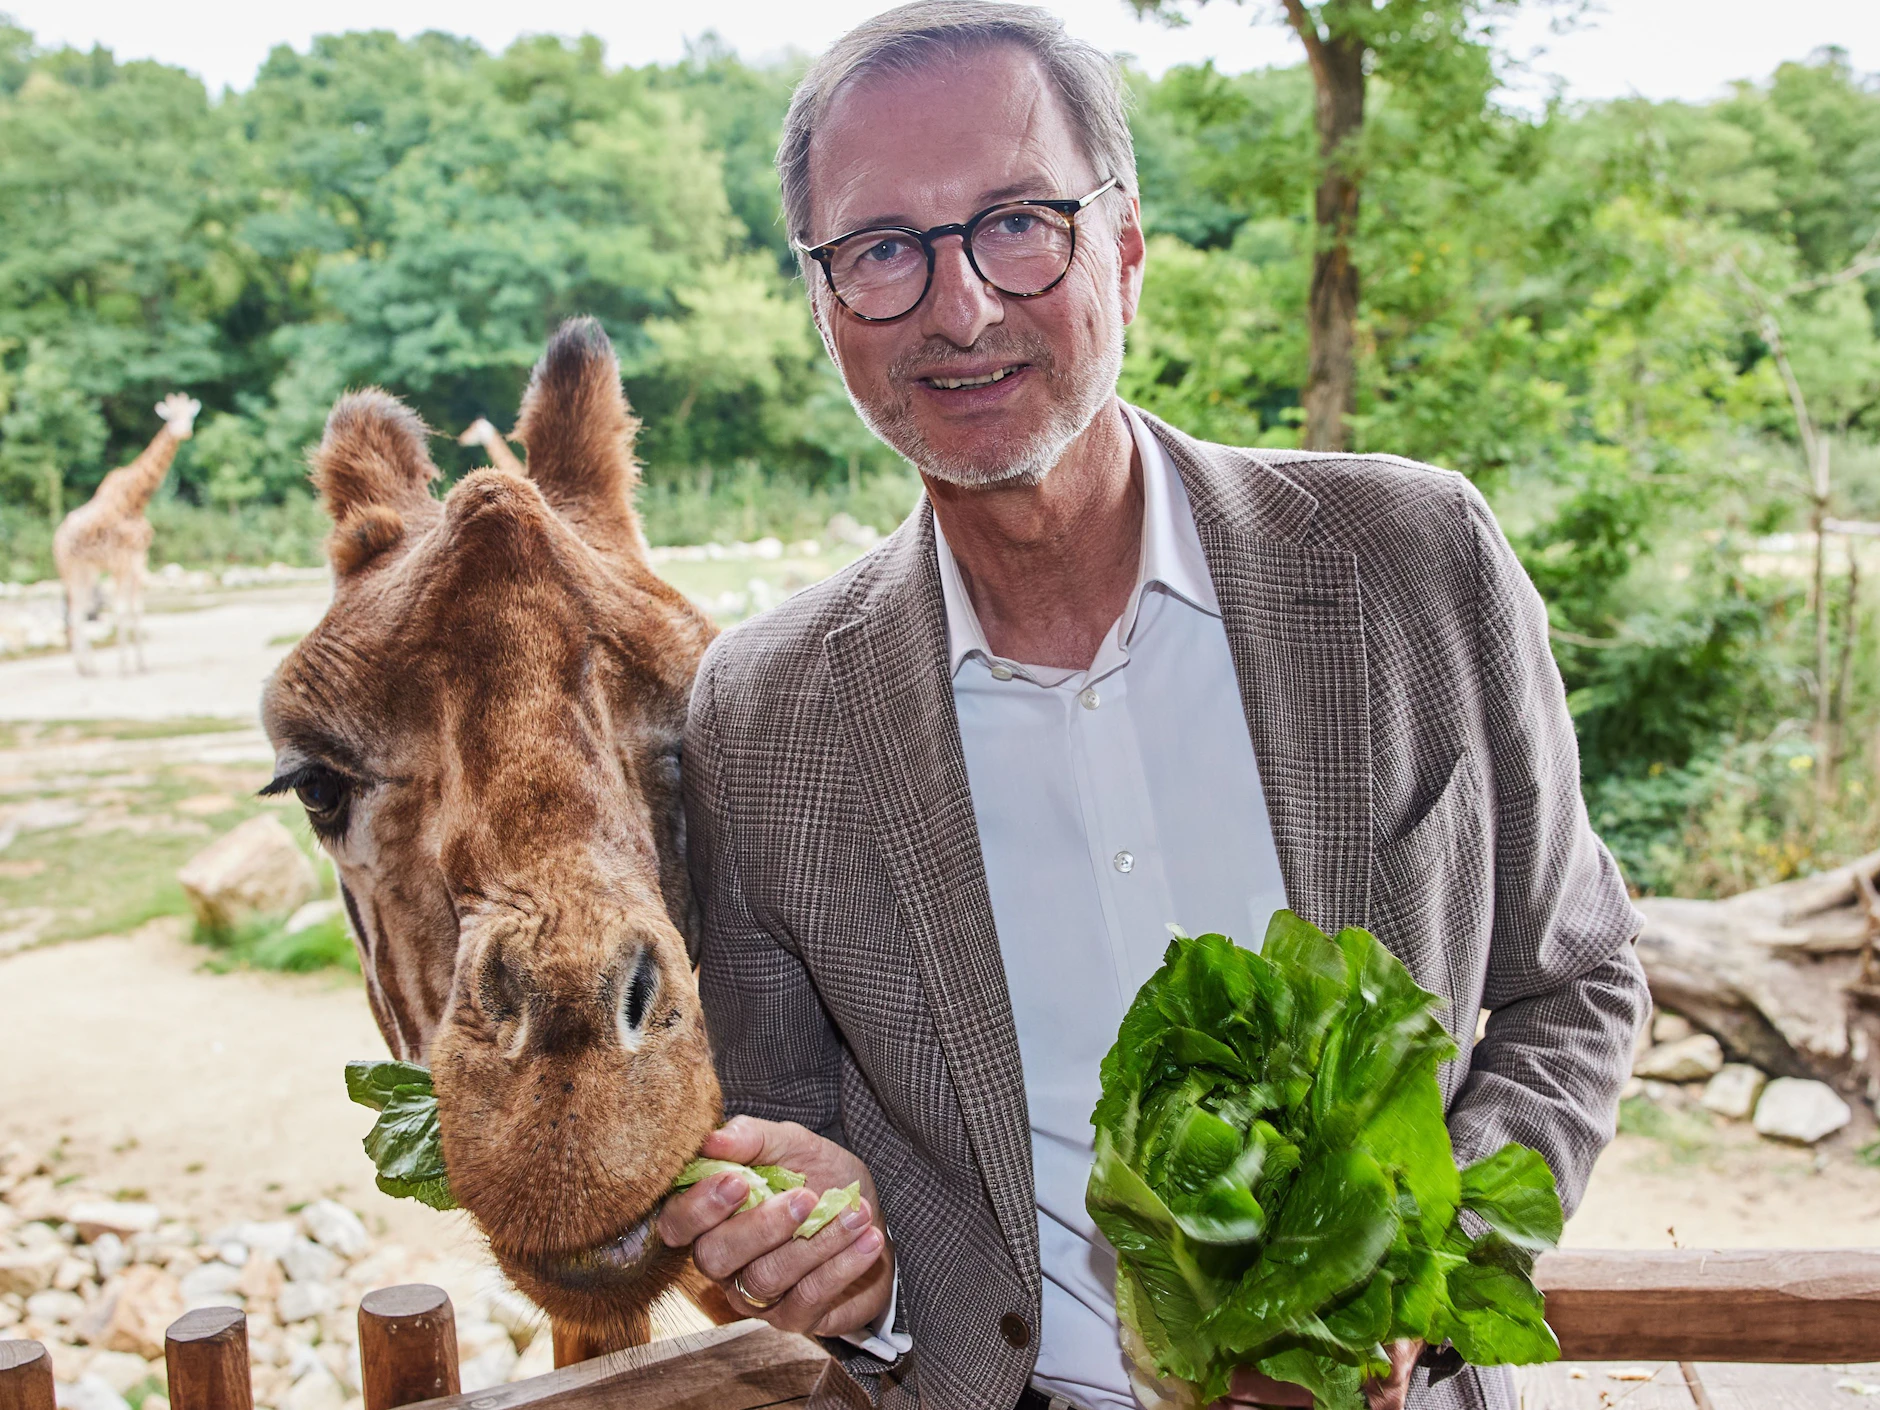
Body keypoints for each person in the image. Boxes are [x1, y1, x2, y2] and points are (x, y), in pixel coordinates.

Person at [656, 4, 1650, 1408]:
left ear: (1126, 246)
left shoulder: (1417, 563)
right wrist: (827, 1263)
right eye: (882, 250)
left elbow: (1580, 977)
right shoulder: (761, 713)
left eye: (1018, 222)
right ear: (826, 308)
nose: (960, 308)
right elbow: (795, 1154)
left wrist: (1417, 1273)